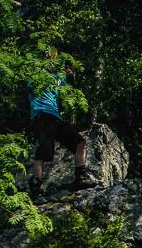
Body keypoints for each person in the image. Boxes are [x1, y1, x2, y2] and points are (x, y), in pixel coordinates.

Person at [27, 57, 94, 197]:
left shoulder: (57, 77)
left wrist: (70, 75)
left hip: (56, 118)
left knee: (79, 143)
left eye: (53, 62)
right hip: (41, 115)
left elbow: (68, 88)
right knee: (45, 151)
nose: (52, 64)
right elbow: (30, 86)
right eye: (48, 61)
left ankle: (81, 177)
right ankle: (36, 185)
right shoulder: (34, 75)